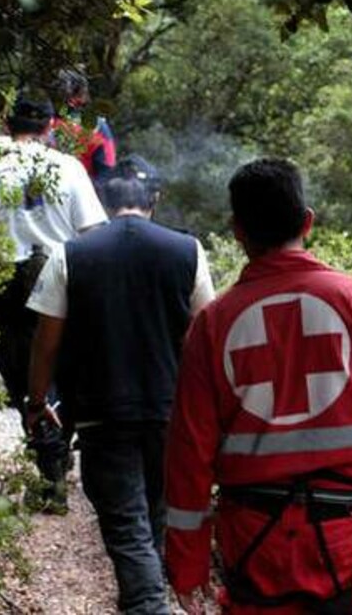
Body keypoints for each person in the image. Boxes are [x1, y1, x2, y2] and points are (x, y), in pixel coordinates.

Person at [165, 158, 352, 614]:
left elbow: (188, 455)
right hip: (348, 538)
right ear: (307, 222)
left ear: (237, 230)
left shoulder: (213, 324)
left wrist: (187, 565)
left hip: (254, 545)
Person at [26, 154, 215, 615]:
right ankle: (144, 599)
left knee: (126, 522)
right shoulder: (186, 251)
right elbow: (203, 335)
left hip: (100, 410)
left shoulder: (71, 253)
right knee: (152, 514)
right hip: (169, 410)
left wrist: (37, 400)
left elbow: (46, 343)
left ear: (104, 200)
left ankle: (146, 604)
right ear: (155, 199)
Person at [0, 96, 108, 511]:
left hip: (7, 278)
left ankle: (48, 470)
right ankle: (56, 457)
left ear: (8, 124)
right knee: (64, 365)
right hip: (61, 272)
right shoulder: (68, 166)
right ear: (50, 127)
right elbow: (93, 230)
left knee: (22, 370)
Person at [50, 68, 117, 184]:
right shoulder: (98, 128)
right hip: (85, 194)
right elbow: (107, 172)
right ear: (80, 97)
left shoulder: (42, 124)